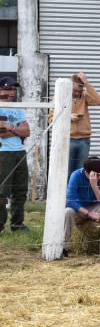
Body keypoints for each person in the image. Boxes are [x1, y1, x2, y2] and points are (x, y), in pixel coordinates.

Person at [64, 156, 100, 256]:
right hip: (79, 208)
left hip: (94, 206)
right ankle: (64, 247)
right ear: (88, 172)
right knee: (67, 211)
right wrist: (88, 213)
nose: (99, 176)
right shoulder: (76, 175)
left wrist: (94, 185)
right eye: (97, 174)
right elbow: (70, 200)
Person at [0, 77, 31, 233]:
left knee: (20, 190)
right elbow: (1, 133)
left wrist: (9, 126)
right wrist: (16, 128)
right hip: (3, 153)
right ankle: (0, 223)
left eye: (13, 89)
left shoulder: (18, 108)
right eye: (8, 89)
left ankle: (17, 224)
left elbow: (27, 131)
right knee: (2, 191)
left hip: (19, 151)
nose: (11, 92)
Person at [60, 72, 100, 177]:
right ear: (70, 86)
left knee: (81, 171)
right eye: (75, 90)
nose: (77, 93)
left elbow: (98, 101)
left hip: (84, 139)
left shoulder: (84, 95)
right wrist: (67, 117)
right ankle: (67, 193)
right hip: (68, 138)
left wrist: (86, 83)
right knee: (66, 170)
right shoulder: (61, 97)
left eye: (80, 91)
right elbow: (51, 118)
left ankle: (78, 193)